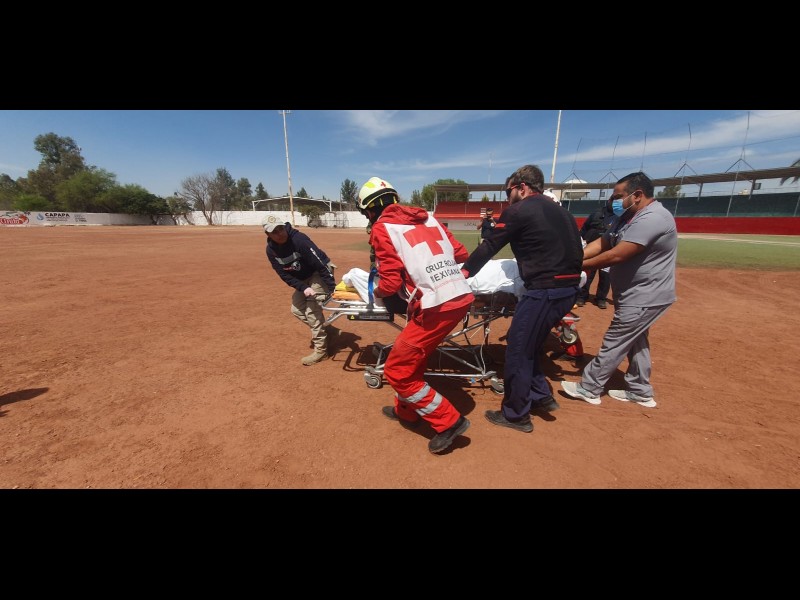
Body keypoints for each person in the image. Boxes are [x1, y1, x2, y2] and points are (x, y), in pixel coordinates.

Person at [461, 165, 584, 433]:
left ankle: (516, 415)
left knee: (517, 349)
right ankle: (541, 395)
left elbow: (490, 245)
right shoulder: (562, 212)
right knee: (531, 345)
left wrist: (464, 273)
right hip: (568, 290)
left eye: (508, 192)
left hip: (544, 291)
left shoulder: (519, 210)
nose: (507, 198)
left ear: (522, 187)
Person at [357, 176, 473, 454]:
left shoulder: (383, 227)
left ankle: (449, 422)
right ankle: (406, 411)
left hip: (435, 306)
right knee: (412, 358)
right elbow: (461, 253)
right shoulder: (430, 218)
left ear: (370, 210)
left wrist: (376, 293)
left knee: (397, 371)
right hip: (458, 296)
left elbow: (390, 283)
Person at [561, 171, 677, 408]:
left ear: (637, 195)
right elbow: (603, 243)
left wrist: (576, 266)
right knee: (636, 340)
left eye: (618, 196)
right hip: (632, 293)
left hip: (646, 295)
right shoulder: (625, 217)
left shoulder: (654, 218)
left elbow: (617, 255)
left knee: (616, 339)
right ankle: (640, 390)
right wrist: (574, 258)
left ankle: (590, 387)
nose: (613, 200)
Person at [264, 221, 337, 366]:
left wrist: (332, 287)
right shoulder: (271, 250)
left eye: (281, 229)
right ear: (268, 234)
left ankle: (321, 351)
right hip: (304, 279)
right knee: (296, 309)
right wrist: (303, 288)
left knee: (312, 312)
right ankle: (327, 330)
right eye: (274, 232)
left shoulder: (299, 240)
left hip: (319, 273)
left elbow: (320, 263)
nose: (279, 234)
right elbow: (284, 275)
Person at [576, 197, 617, 309]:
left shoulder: (619, 217)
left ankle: (601, 298)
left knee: (605, 276)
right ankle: (582, 296)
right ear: (609, 201)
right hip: (592, 248)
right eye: (612, 201)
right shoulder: (596, 214)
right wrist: (583, 240)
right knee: (588, 274)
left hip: (608, 250)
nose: (614, 203)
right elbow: (584, 229)